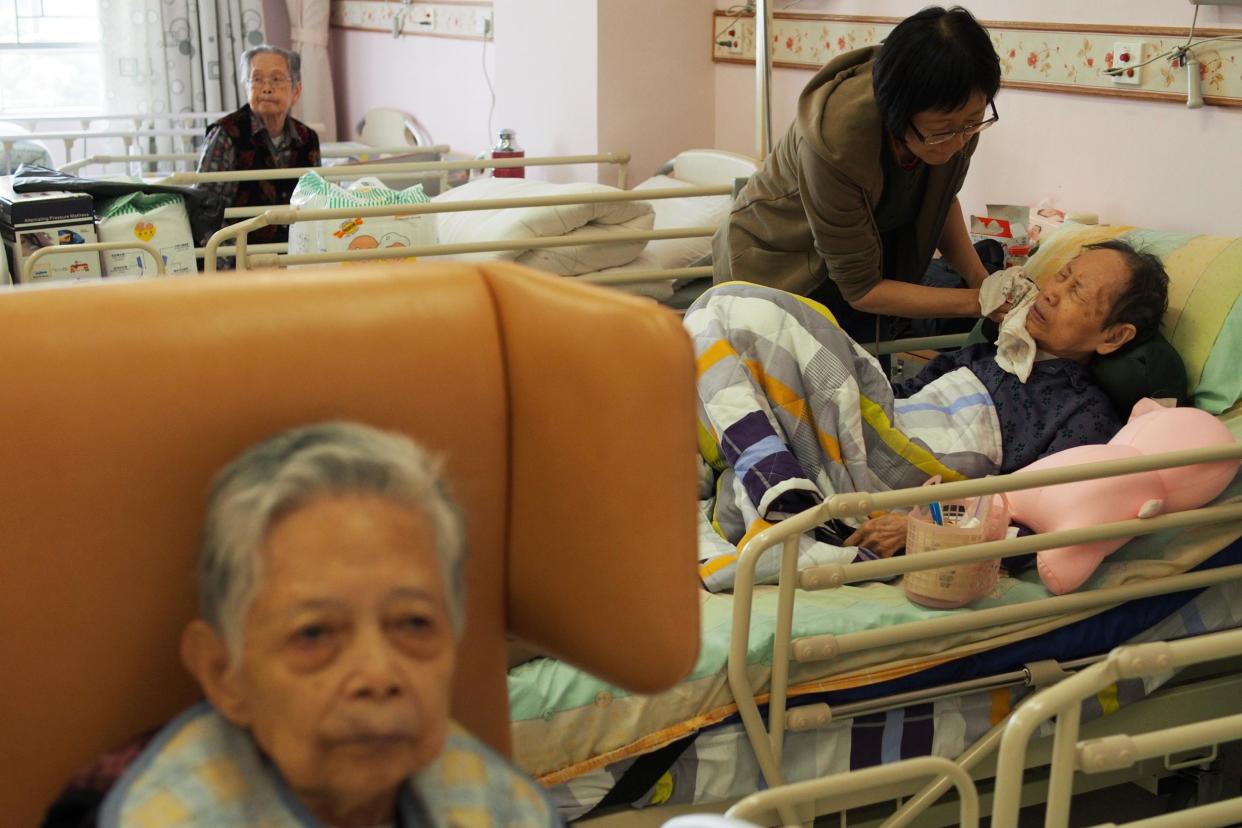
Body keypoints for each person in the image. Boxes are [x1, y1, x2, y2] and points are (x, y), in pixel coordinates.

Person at [42, 423, 560, 828]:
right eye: (314, 634)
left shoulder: (498, 805)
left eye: (413, 623)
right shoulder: (142, 814)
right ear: (225, 674)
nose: (378, 675)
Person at [689, 240, 1170, 590]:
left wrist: (919, 531)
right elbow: (893, 406)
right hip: (875, 433)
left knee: (735, 307)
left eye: (1077, 293)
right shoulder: (990, 355)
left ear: (1114, 337)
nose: (1050, 293)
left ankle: (778, 487)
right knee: (728, 314)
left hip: (898, 477)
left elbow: (1032, 520)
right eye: (1061, 275)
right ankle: (776, 481)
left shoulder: (1083, 416)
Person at [713, 6, 1003, 349]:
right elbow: (862, 290)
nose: (959, 142)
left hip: (858, 274)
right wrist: (977, 302)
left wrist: (981, 279)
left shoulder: (956, 121)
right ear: (896, 114)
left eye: (973, 122)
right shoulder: (835, 141)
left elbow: (939, 199)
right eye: (943, 132)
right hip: (777, 268)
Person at [196, 45, 321, 246]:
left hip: (294, 255)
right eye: (257, 79)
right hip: (239, 258)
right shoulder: (226, 134)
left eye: (276, 79)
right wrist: (233, 262)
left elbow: (315, 206)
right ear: (247, 88)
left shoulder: (307, 138)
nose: (266, 88)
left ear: (296, 91)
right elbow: (205, 211)